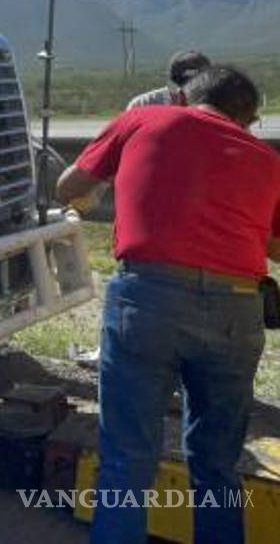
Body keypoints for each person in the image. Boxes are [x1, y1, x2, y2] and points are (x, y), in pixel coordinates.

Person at [57, 66, 280, 544]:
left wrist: (104, 196)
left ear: (182, 97)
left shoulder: (144, 120)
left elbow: (68, 185)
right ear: (249, 118)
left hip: (147, 299)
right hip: (237, 310)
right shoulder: (266, 159)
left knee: (126, 459)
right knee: (218, 462)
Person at [126, 49, 210, 109]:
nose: (187, 94)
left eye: (197, 87)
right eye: (182, 86)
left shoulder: (215, 107)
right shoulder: (143, 104)